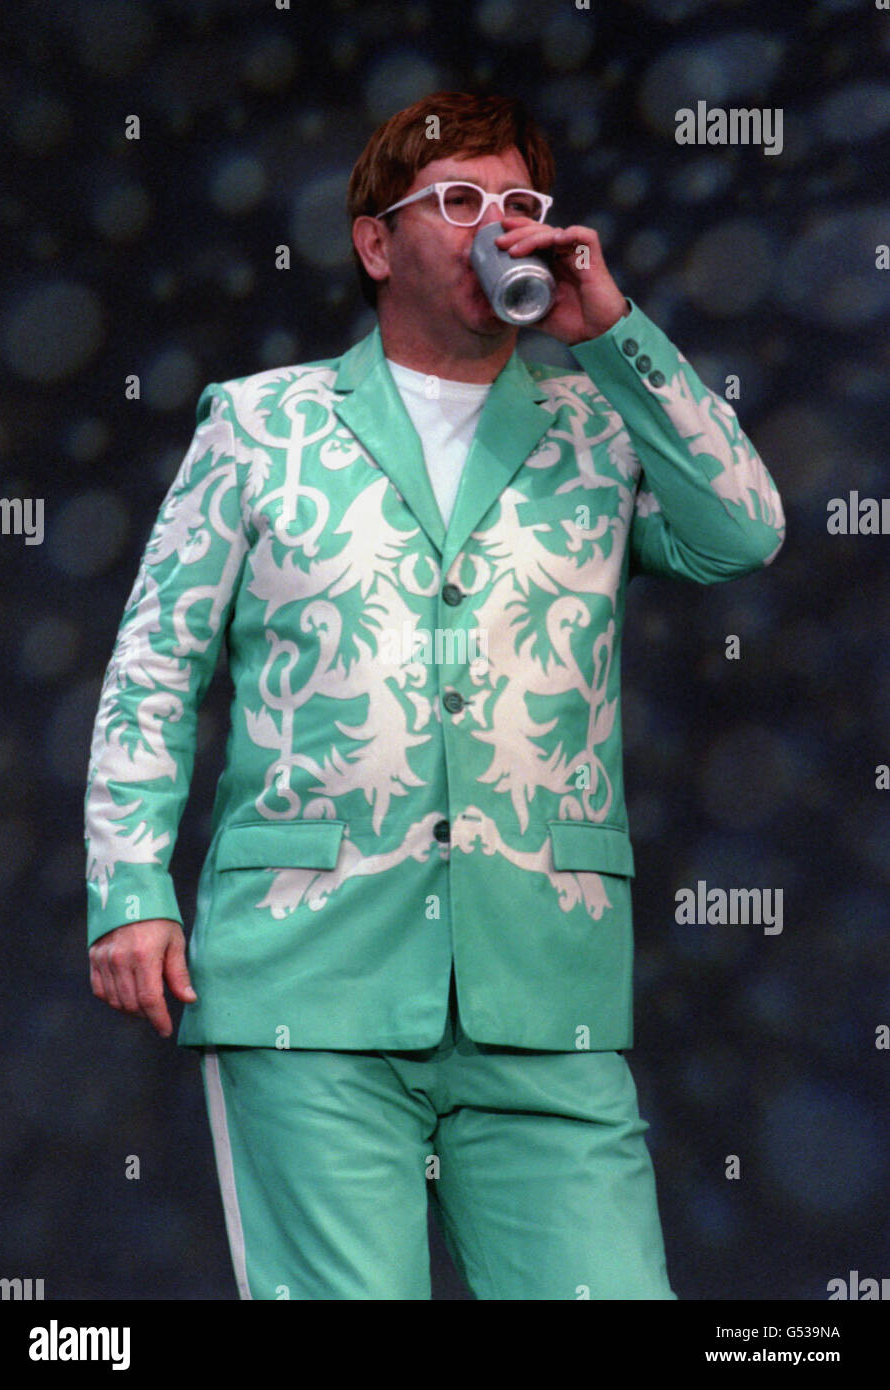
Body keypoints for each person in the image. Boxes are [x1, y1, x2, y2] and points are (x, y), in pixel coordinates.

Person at [85, 91, 785, 1300]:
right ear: (375, 242)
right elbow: (154, 663)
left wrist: (608, 328)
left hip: (541, 984)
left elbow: (743, 532)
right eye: (458, 200)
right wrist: (128, 884)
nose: (495, 230)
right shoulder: (261, 425)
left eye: (518, 204)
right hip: (308, 978)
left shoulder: (596, 426)